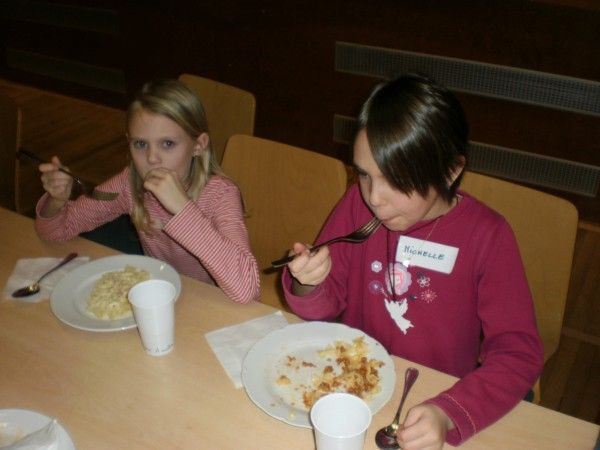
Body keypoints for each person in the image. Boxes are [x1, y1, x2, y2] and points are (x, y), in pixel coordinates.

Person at [282, 73, 543, 447]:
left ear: (450, 171)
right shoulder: (357, 206)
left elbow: (518, 353)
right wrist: (308, 281)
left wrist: (449, 412)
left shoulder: (488, 236)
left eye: (396, 180)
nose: (375, 197)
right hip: (356, 388)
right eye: (364, 174)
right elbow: (325, 305)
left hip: (438, 396)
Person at [35, 79, 260, 304]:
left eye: (168, 144)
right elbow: (54, 233)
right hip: (164, 296)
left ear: (198, 146)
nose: (152, 159)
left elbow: (247, 289)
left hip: (214, 304)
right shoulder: (129, 184)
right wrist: (57, 201)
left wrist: (183, 209)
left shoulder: (220, 195)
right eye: (141, 144)